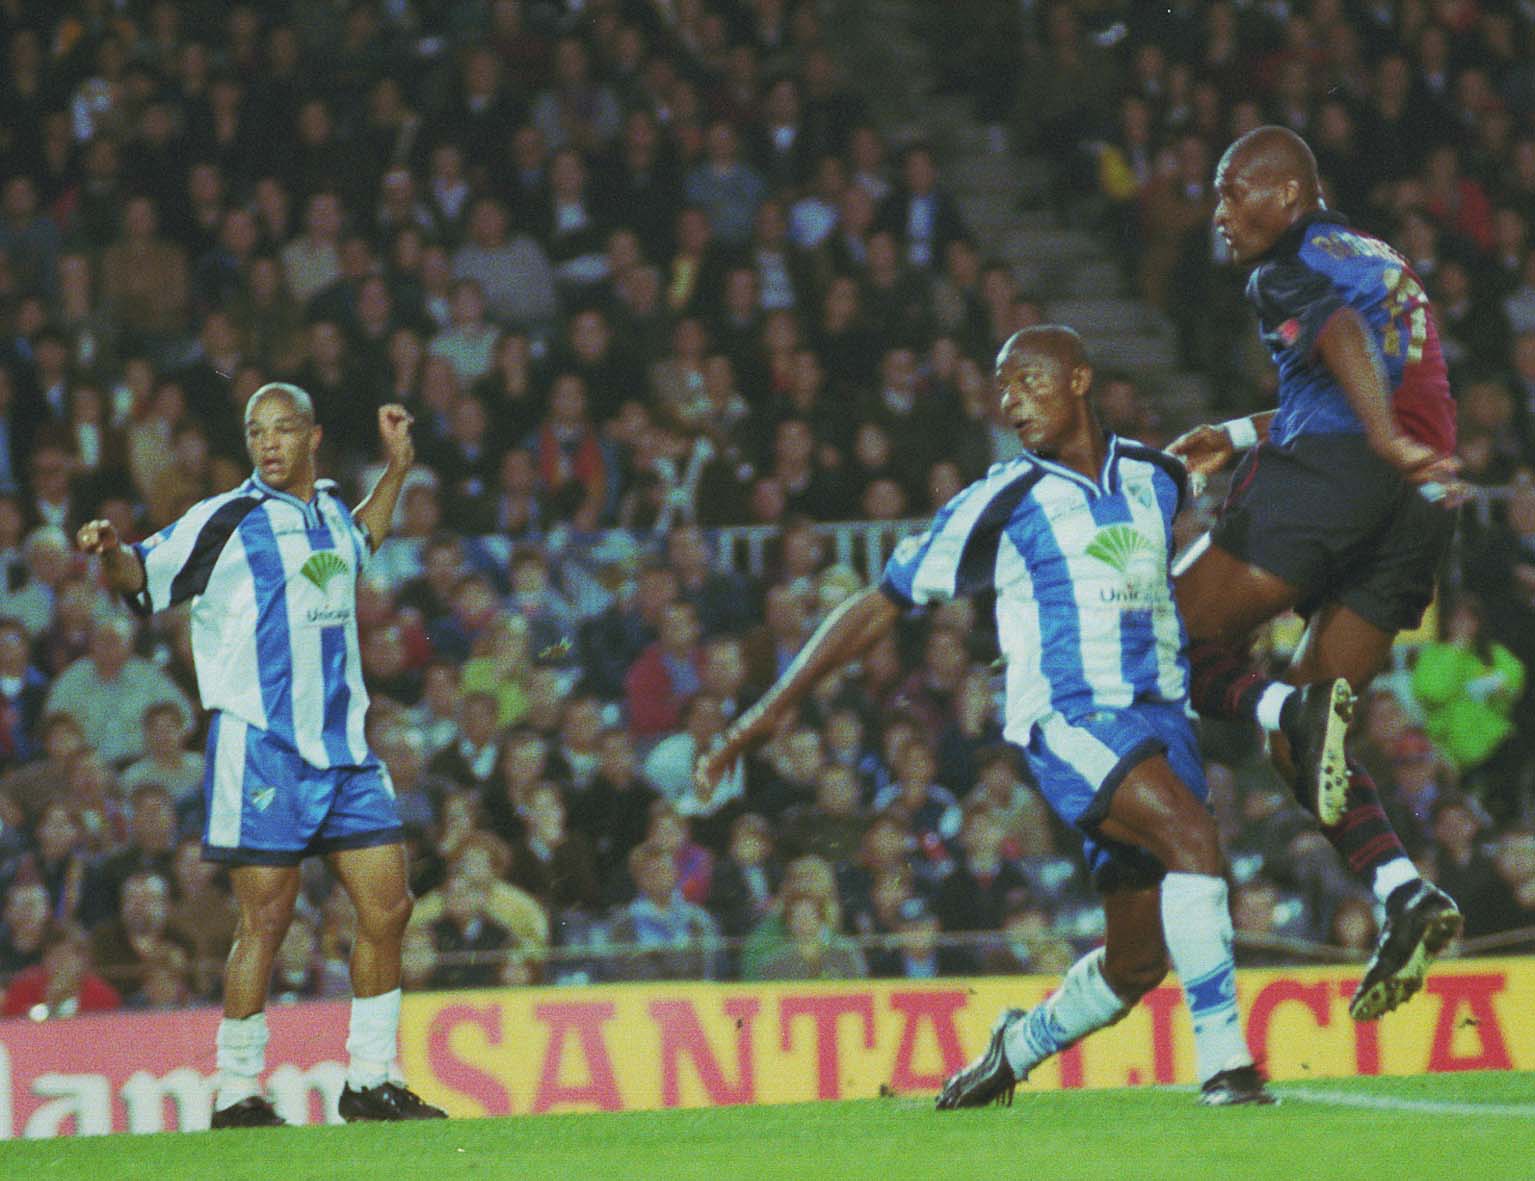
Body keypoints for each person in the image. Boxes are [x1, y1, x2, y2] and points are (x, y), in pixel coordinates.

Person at [700, 326, 1310, 1107]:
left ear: (1080, 380)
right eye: (1002, 387)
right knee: (1194, 835)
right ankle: (1226, 1066)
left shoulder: (1155, 476)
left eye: (1027, 381)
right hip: (1070, 720)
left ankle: (1013, 1047)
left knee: (1135, 965)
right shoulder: (1003, 498)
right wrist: (765, 709)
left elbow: (1256, 436)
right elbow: (878, 603)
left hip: (1162, 721)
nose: (1010, 401)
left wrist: (1327, 422)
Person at [76, 383, 446, 1127]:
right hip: (263, 748)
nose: (268, 442)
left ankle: (370, 1080)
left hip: (344, 750)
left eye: (282, 429)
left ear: (311, 436)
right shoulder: (225, 518)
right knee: (267, 923)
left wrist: (397, 468)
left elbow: (362, 541)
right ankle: (237, 1091)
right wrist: (113, 553)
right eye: (255, 431)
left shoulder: (333, 510)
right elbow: (142, 580)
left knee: (389, 908)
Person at [1167, 126, 1464, 1021]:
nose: (1217, 214)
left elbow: (1335, 339)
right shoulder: (1367, 251)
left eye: (1231, 192)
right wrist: (1246, 431)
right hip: (1421, 496)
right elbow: (1355, 363)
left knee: (1165, 627)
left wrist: (1373, 439)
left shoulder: (1285, 264)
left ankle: (1276, 702)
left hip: (1345, 468)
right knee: (1306, 747)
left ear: (1285, 195)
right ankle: (1404, 892)